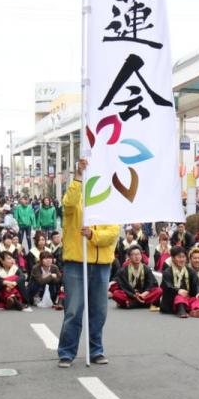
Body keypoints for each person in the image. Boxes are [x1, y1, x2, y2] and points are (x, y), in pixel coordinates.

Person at [57, 158, 121, 368]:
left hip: (102, 264)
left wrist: (93, 234)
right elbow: (67, 204)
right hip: (76, 262)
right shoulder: (75, 203)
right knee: (74, 309)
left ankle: (96, 351)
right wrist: (77, 176)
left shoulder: (109, 204)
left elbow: (112, 233)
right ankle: (67, 352)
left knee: (99, 311)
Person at [159, 246, 199, 317]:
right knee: (180, 297)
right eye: (179, 257)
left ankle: (195, 310)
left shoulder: (191, 271)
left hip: (187, 299)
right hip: (172, 301)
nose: (182, 259)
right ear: (172, 258)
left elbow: (196, 285)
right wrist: (178, 291)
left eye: (183, 257)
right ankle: (181, 310)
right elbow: (167, 286)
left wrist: (198, 293)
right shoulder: (167, 272)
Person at [110, 244, 161, 309]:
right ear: (129, 257)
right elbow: (123, 286)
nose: (136, 257)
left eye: (138, 254)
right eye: (133, 254)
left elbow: (152, 284)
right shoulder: (123, 270)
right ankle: (143, 303)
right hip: (130, 295)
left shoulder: (146, 269)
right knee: (116, 294)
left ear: (141, 256)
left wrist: (143, 294)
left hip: (143, 294)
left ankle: (134, 303)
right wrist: (134, 295)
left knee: (159, 290)